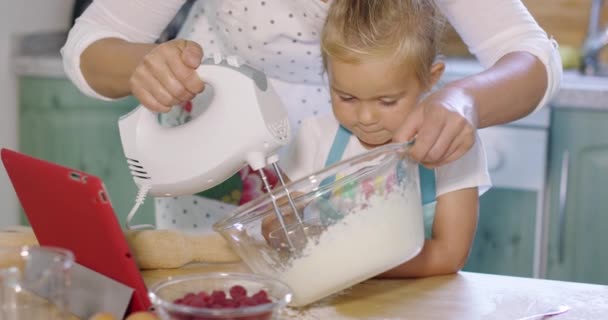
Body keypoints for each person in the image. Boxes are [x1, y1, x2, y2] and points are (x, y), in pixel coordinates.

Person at [61, 0, 561, 232]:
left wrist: (465, 100)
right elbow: (90, 40)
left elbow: (530, 54)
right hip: (214, 142)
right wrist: (141, 67)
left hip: (352, 175)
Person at [274, 0, 490, 277]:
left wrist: (352, 265)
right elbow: (280, 221)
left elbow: (450, 254)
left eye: (387, 101)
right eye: (346, 97)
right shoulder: (315, 137)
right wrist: (281, 229)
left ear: (430, 78)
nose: (365, 117)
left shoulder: (450, 145)